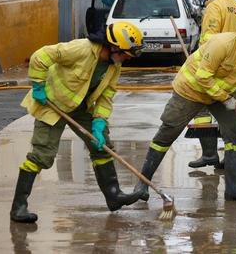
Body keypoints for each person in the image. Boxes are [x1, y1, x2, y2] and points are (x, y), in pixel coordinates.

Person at [132, 11, 236, 203]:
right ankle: (142, 183)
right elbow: (203, 77)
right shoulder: (223, 44)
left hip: (223, 95)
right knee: (167, 133)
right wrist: (226, 99)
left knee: (235, 135)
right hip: (191, 90)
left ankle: (235, 189)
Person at [10, 22, 145, 223]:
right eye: (126, 54)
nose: (127, 58)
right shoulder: (81, 49)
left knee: (102, 147)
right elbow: (42, 56)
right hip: (51, 104)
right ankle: (19, 207)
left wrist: (99, 123)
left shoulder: (114, 66)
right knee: (42, 155)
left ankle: (114, 196)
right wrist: (38, 84)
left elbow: (106, 96)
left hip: (81, 107)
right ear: (114, 47)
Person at [184, 0, 236, 172]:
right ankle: (230, 158)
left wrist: (199, 63)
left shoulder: (214, 6)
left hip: (214, 69)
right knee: (231, 116)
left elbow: (209, 40)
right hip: (234, 72)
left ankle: (209, 153)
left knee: (202, 112)